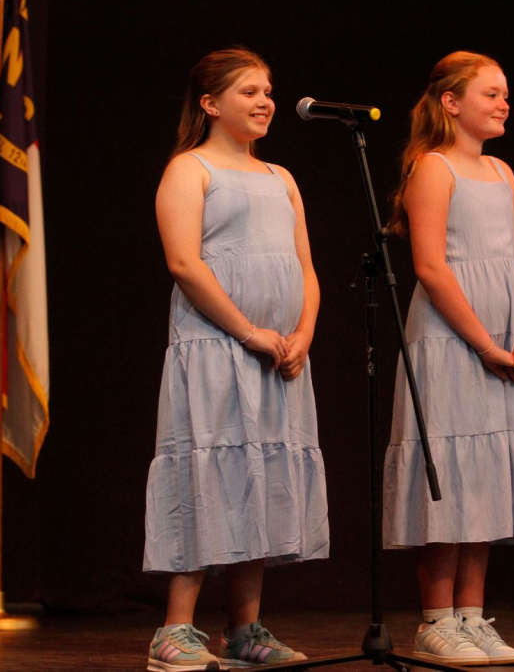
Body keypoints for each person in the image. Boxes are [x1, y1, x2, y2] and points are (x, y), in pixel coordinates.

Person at [143, 48, 328, 672]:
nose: (265, 101)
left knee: (260, 476)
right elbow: (184, 263)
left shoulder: (282, 178)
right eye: (249, 90)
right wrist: (249, 331)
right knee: (207, 472)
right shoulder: (189, 170)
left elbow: (306, 267)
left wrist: (302, 331)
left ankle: (245, 630)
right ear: (210, 102)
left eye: (268, 90)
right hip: (218, 349)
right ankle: (175, 630)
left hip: (276, 356)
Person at [382, 51, 514, 666]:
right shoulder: (433, 167)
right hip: (454, 340)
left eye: (506, 94)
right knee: (448, 472)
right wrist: (485, 343)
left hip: (503, 341)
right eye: (491, 93)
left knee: (486, 472)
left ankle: (472, 617)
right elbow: (429, 265)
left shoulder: (503, 172)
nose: (504, 103)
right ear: (451, 102)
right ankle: (436, 620)